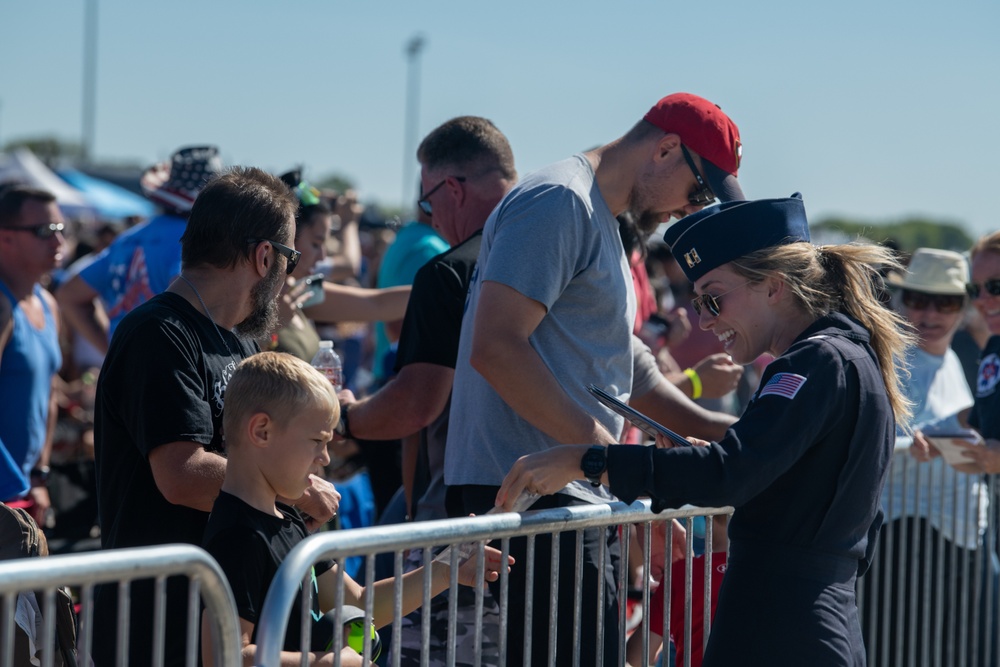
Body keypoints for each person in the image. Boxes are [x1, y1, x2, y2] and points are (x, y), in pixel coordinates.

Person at [498, 194, 914, 666]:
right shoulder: (846, 357)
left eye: (714, 298)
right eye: (698, 302)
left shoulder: (815, 361)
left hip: (780, 628)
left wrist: (587, 460)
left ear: (774, 286)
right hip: (808, 620)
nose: (704, 319)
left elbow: (730, 474)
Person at [91, 167, 340, 667]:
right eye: (290, 258)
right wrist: (293, 489)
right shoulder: (158, 333)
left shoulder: (240, 339)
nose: (288, 276)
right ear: (264, 255)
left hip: (223, 616)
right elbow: (181, 474)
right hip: (157, 626)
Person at [338, 116, 516, 665]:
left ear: (454, 189)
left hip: (457, 526)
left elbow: (414, 405)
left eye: (427, 201)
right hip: (558, 520)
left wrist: (346, 419)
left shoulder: (450, 272)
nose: (430, 216)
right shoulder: (567, 263)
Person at [199, 352, 509, 666]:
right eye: (317, 440)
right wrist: (327, 662)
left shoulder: (288, 521)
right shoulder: (237, 536)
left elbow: (361, 601)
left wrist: (446, 568)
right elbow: (225, 656)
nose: (325, 458)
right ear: (262, 431)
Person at [861, 248, 992, 666]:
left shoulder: (952, 356)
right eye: (919, 299)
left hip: (956, 535)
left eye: (946, 302)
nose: (931, 313)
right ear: (899, 301)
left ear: (963, 307)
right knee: (902, 650)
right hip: (903, 537)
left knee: (953, 651)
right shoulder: (888, 359)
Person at [56, 145, 224, 353]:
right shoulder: (191, 240)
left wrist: (111, 351)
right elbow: (188, 299)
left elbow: (69, 294)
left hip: (123, 370)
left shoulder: (128, 238)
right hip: (168, 370)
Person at [268, 171, 411, 362]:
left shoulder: (301, 288)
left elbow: (376, 304)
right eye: (316, 244)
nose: (323, 256)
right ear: (288, 237)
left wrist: (446, 287)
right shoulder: (258, 294)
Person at [0, 185, 65, 525]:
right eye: (44, 231)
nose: (58, 242)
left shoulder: (47, 303)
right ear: (5, 237)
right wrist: (14, 487)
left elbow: (48, 394)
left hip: (22, 494)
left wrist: (39, 474)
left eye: (60, 229)